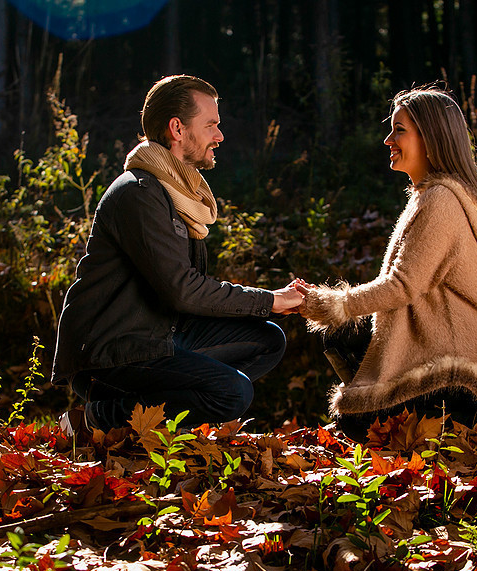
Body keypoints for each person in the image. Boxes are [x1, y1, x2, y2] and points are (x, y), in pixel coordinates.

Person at [51, 75, 304, 435]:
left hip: (157, 336)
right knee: (232, 392)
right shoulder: (140, 193)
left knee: (267, 340)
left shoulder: (177, 192)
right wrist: (268, 300)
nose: (220, 136)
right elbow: (182, 290)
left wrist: (271, 303)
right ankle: (97, 419)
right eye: (211, 125)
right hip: (111, 354)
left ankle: (162, 423)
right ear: (177, 129)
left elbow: (186, 291)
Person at [298, 85, 477, 441]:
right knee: (350, 365)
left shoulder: (441, 201)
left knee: (358, 424)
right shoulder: (437, 195)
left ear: (432, 138)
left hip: (465, 369)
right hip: (463, 356)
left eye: (399, 130)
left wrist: (336, 304)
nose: (388, 139)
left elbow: (403, 285)